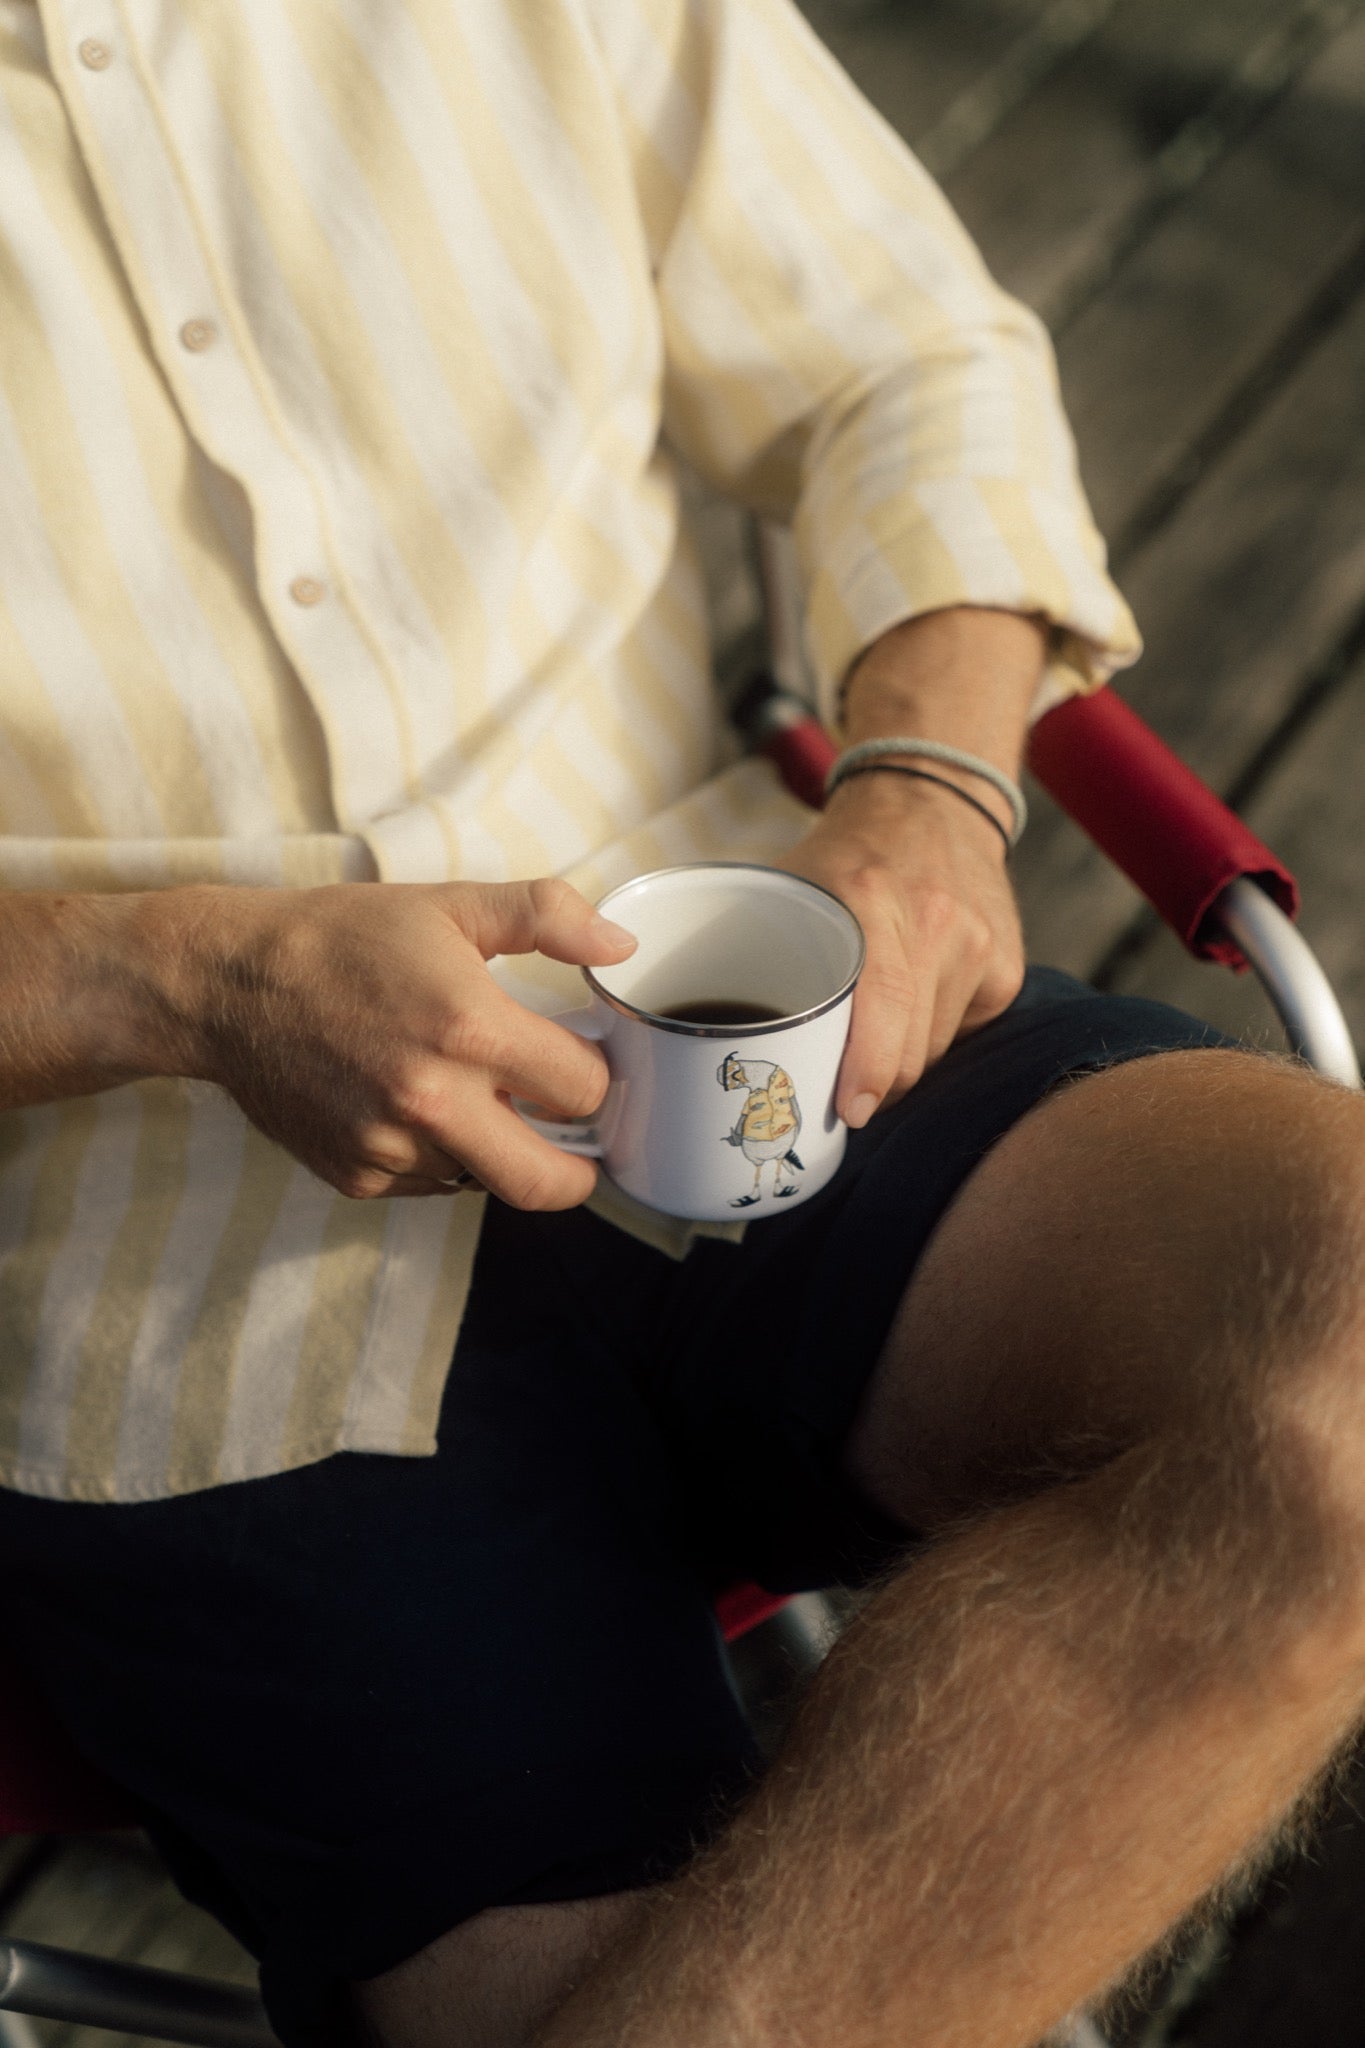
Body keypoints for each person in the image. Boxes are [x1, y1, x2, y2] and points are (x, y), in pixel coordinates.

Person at [3, 1, 1365, 2044]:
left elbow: (901, 359)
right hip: (169, 1286)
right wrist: (185, 974)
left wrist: (921, 790)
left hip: (760, 1012)